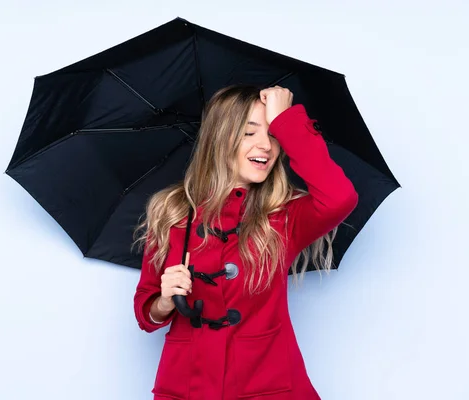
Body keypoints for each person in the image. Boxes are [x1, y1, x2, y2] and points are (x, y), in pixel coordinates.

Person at [133, 84, 358, 400]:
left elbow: (340, 198)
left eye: (273, 134)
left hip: (267, 387)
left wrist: (288, 120)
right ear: (220, 138)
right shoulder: (172, 211)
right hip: (186, 386)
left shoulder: (283, 218)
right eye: (249, 133)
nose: (266, 145)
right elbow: (146, 313)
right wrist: (165, 301)